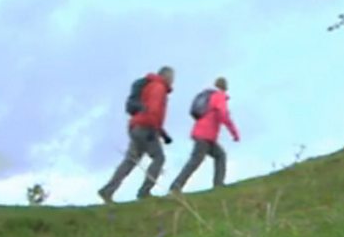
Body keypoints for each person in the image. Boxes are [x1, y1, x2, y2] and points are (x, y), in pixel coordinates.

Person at [98, 66, 175, 203]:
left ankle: (107, 190)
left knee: (130, 161)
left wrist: (163, 134)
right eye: (172, 77)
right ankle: (144, 192)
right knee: (159, 158)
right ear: (166, 76)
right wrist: (153, 130)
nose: (173, 81)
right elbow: (153, 110)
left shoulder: (151, 85)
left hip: (136, 126)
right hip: (146, 127)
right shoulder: (159, 87)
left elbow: (149, 110)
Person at [169, 77, 240, 194]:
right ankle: (176, 187)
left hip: (204, 135)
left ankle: (218, 185)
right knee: (196, 161)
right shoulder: (219, 96)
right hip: (205, 136)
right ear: (225, 87)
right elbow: (223, 114)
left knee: (219, 155)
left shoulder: (209, 95)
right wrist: (234, 133)